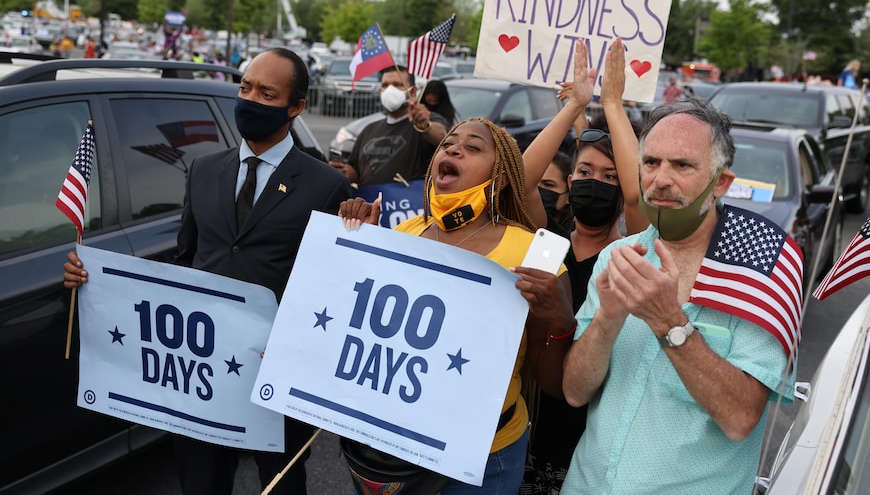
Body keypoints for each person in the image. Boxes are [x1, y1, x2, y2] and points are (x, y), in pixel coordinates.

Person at [63, 47, 353, 495]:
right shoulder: (203, 170)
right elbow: (185, 261)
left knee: (280, 482)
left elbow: (331, 291)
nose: (250, 99)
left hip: (271, 372)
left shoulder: (325, 185)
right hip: (200, 369)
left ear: (296, 108)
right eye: (245, 87)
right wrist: (97, 280)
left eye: (267, 93)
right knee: (200, 480)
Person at [560, 97, 794, 493]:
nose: (661, 179)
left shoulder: (759, 271)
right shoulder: (618, 257)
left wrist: (669, 322)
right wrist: (608, 319)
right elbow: (574, 392)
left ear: (720, 181)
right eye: (651, 163)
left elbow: (740, 418)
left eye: (682, 165)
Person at [338, 116, 576, 494]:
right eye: (449, 142)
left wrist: (561, 321)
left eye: (473, 146)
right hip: (390, 448)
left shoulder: (536, 253)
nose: (453, 148)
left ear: (498, 179)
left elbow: (551, 383)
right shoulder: (405, 233)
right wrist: (357, 245)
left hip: (482, 458)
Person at [520, 37, 647, 493]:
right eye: (586, 173)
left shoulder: (629, 255)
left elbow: (637, 194)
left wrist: (610, 105)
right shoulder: (545, 245)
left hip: (584, 436)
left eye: (610, 177)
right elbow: (520, 178)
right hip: (526, 423)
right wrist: (575, 104)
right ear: (570, 181)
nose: (597, 183)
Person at [333, 65, 449, 186]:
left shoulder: (427, 121)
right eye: (385, 85)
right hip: (372, 202)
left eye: (397, 84)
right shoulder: (369, 129)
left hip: (409, 202)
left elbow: (442, 138)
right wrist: (344, 172)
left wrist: (425, 126)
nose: (390, 90)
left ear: (413, 91)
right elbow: (357, 172)